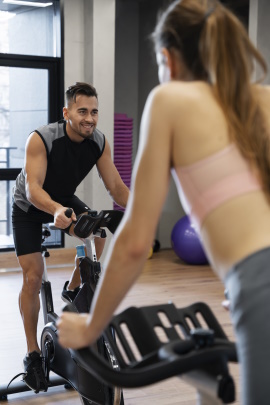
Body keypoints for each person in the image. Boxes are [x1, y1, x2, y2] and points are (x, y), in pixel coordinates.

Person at [57, 1, 270, 403]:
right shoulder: (263, 99)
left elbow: (136, 241)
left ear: (167, 59)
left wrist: (90, 327)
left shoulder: (169, 100)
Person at [11, 82, 129, 392]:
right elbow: (34, 189)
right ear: (67, 113)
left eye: (94, 112)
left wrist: (141, 209)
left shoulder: (98, 141)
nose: (90, 118)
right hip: (29, 206)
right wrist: (56, 210)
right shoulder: (41, 139)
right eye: (82, 112)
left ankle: (73, 288)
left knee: (97, 234)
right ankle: (33, 355)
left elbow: (115, 187)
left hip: (63, 198)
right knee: (33, 278)